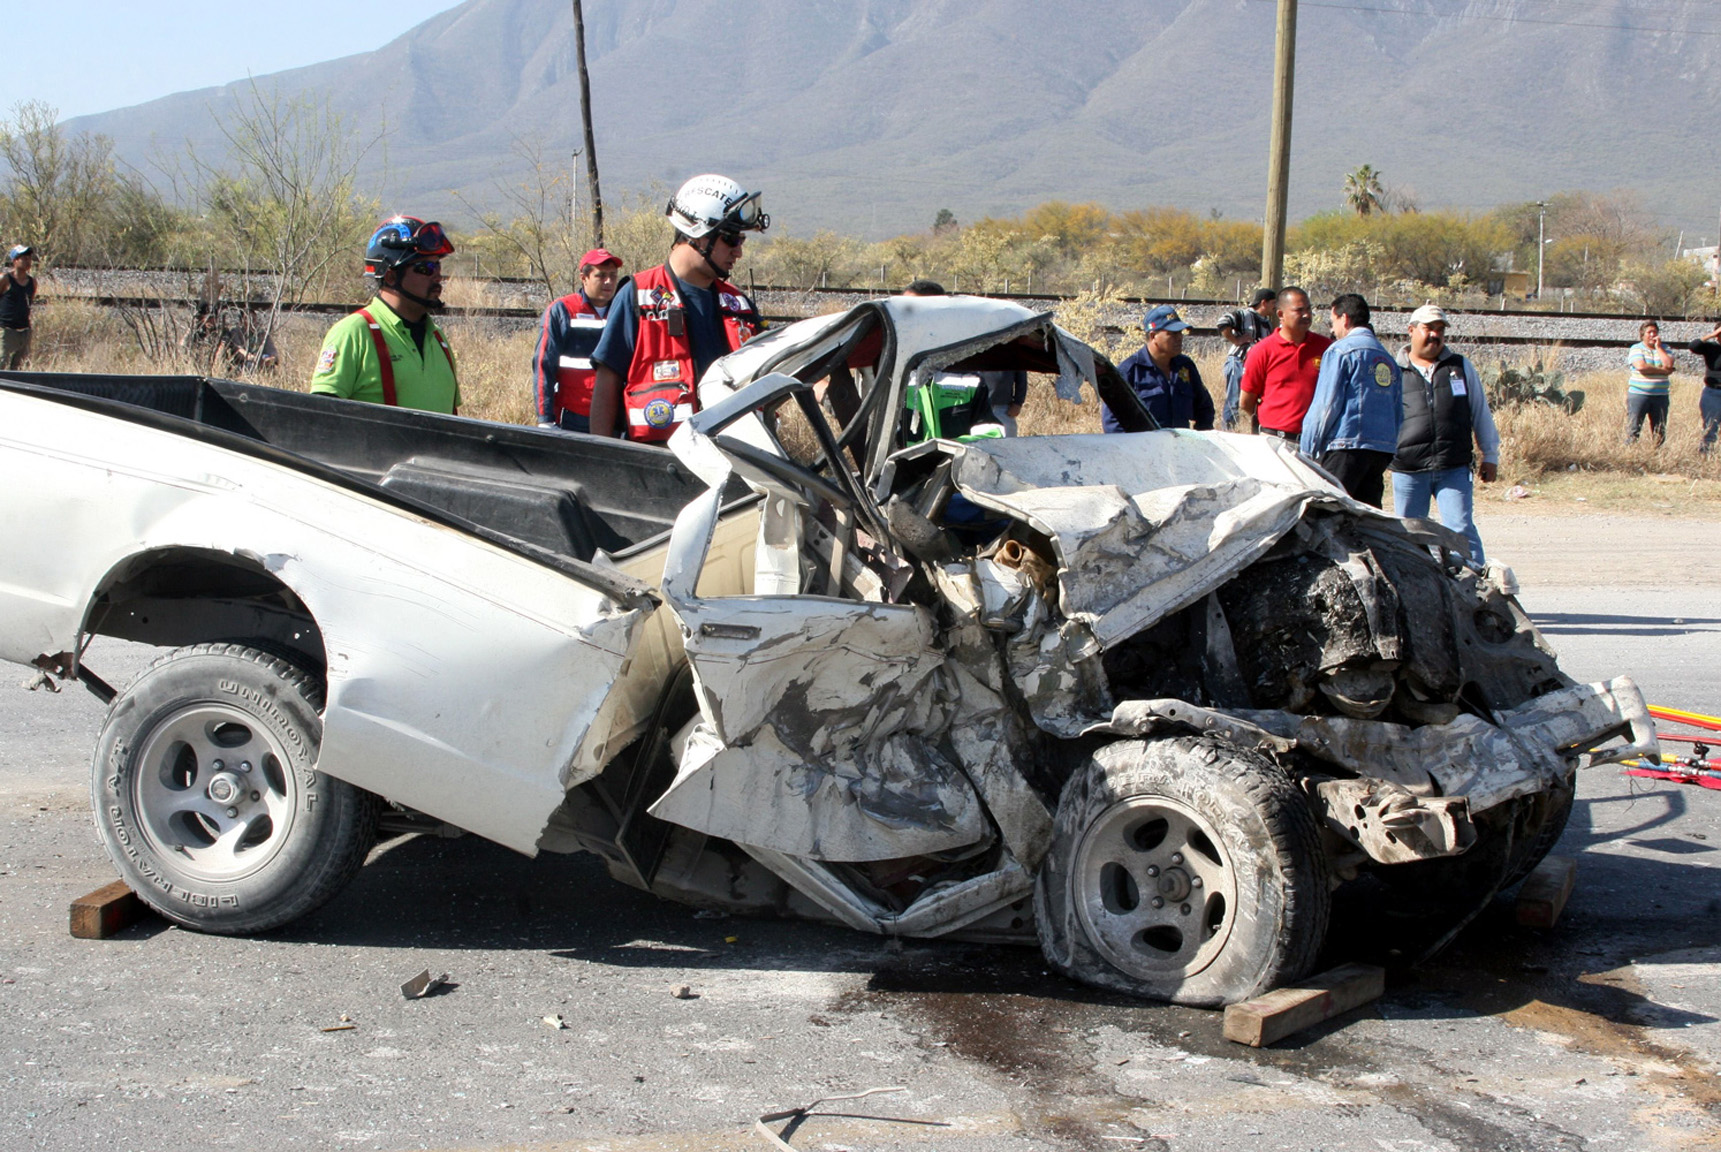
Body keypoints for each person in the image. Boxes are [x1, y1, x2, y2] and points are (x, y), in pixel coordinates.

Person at [588, 175, 766, 441]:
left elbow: (776, 363)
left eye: (741, 241)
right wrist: (601, 458)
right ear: (698, 234)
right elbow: (607, 382)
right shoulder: (637, 295)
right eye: (731, 240)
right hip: (658, 463)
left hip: (736, 456)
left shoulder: (738, 304)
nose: (738, 252)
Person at [311, 216, 459, 413]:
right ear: (390, 276)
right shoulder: (354, 333)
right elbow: (321, 418)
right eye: (426, 268)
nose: (437, 276)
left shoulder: (438, 338)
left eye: (438, 266)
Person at [1392, 304, 1499, 564]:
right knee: (1410, 535)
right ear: (1411, 330)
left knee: (1461, 530)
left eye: (1440, 330)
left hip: (1453, 466)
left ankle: (1475, 590)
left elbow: (1479, 412)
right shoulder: (1393, 370)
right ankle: (1415, 591)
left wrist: (1490, 454)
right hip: (1408, 469)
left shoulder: (1459, 367)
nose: (1435, 335)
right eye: (1429, 328)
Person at [1298, 293, 1401, 507]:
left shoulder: (1341, 351)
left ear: (1344, 318)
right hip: (1380, 450)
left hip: (1345, 446)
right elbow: (1398, 410)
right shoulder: (1387, 358)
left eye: (1332, 321)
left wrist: (1306, 451)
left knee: (1328, 512)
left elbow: (1326, 406)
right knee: (1367, 518)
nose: (1332, 330)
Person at [533, 248, 623, 432]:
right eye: (601, 276)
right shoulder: (562, 310)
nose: (609, 282)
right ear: (584, 278)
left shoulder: (623, 310)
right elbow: (544, 365)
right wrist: (545, 419)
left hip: (615, 417)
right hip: (572, 417)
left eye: (613, 276)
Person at [1238, 286, 1331, 440]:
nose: (1306, 315)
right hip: (1274, 440)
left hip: (1313, 441)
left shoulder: (1326, 348)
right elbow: (1246, 402)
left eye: (1308, 309)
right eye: (1299, 310)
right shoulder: (1262, 351)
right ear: (1281, 314)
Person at [1102, 304, 1214, 432]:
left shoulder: (1185, 366)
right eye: (1172, 333)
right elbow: (1112, 423)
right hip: (1144, 449)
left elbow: (1204, 408)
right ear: (1153, 336)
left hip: (1180, 449)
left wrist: (1198, 441)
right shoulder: (1130, 371)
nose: (1179, 338)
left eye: (1180, 333)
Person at [1625, 319, 1675, 447]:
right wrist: (1662, 371)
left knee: (1659, 430)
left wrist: (1658, 347)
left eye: (1655, 332)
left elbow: (1669, 364)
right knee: (1634, 428)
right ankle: (1630, 453)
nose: (1653, 335)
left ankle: (1656, 454)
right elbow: (1641, 367)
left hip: (1661, 396)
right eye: (1649, 332)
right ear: (1643, 335)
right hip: (1639, 394)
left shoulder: (1665, 348)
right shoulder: (1636, 348)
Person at [1, 245, 38, 370]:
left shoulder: (32, 282)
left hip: (24, 331)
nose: (28, 261)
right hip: (6, 330)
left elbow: (29, 302)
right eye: (24, 258)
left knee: (19, 368)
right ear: (15, 260)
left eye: (29, 258)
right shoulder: (5, 279)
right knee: (2, 363)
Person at [1687, 319, 1721, 453]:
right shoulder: (1711, 348)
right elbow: (1693, 346)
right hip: (1713, 393)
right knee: (1710, 427)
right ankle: (1706, 455)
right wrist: (1711, 335)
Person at [1215, 311, 1249, 430]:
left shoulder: (1266, 321)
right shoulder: (1245, 315)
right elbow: (1223, 322)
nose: (1274, 306)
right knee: (1233, 400)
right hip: (1238, 362)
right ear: (1263, 303)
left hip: (1251, 365)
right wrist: (1236, 340)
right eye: (1273, 303)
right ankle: (1228, 431)